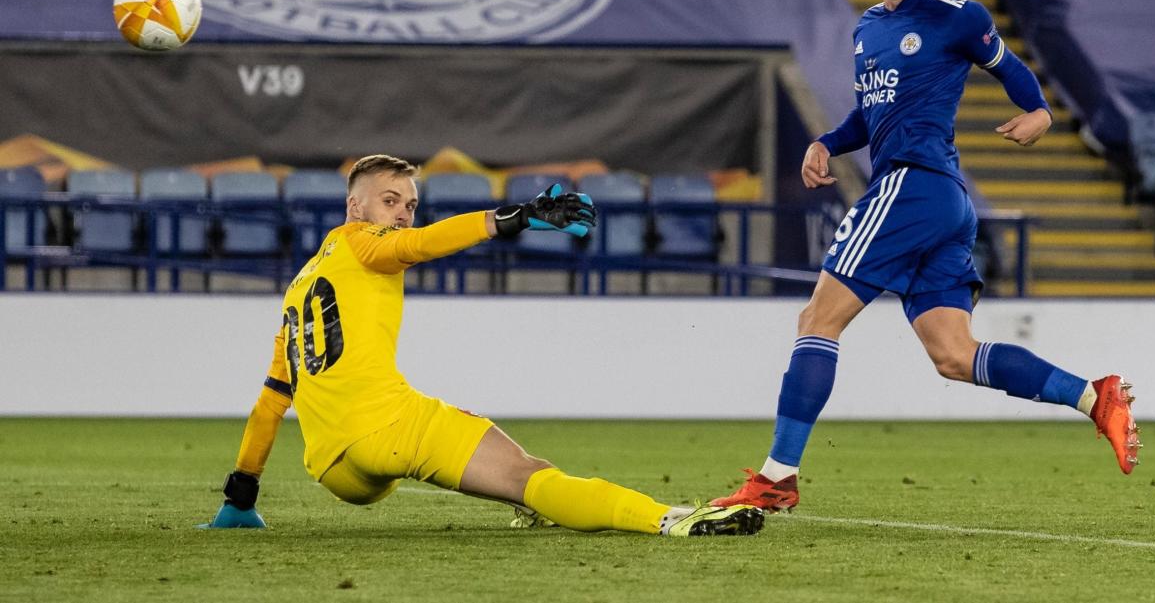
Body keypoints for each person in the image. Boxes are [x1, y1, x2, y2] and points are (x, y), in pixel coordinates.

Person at [711, 0, 1140, 512]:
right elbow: (870, 114)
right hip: (941, 202)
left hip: (914, 186)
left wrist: (1040, 110)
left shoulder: (955, 14)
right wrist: (826, 143)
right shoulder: (867, 28)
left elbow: (1008, 67)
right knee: (954, 356)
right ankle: (1095, 398)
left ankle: (777, 476)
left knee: (817, 321)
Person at [203, 154, 763, 537]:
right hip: (387, 430)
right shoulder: (366, 245)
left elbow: (272, 400)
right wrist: (514, 218)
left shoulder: (299, 285)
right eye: (390, 201)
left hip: (334, 470)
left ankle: (528, 504)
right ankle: (671, 519)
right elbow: (423, 244)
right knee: (531, 474)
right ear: (355, 209)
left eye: (409, 204)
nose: (402, 213)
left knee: (503, 463)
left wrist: (240, 495)